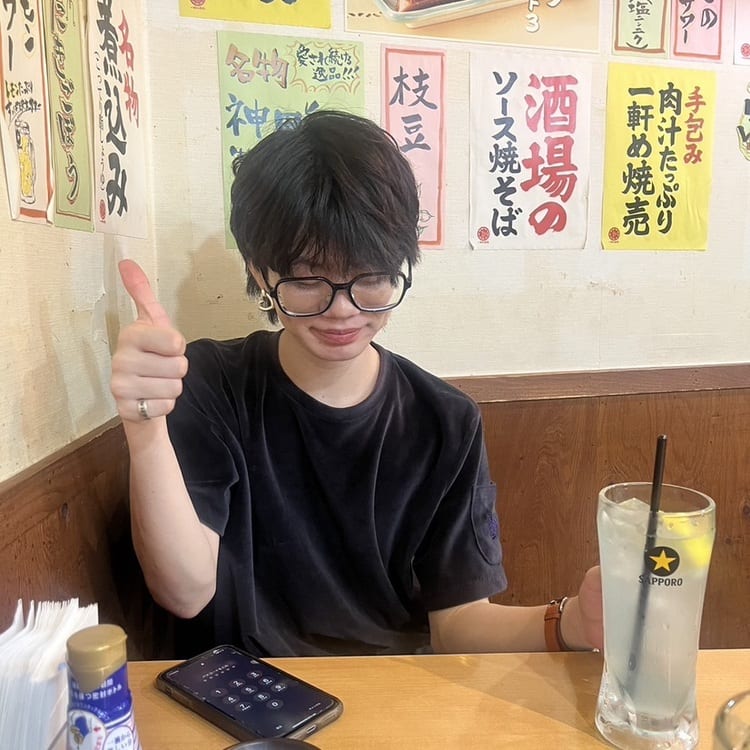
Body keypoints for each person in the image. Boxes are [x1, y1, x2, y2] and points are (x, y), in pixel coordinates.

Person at [110, 109, 603, 658]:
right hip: (252, 694)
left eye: (370, 276)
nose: (342, 309)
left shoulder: (445, 421)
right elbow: (185, 591)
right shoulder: (212, 385)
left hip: (394, 694)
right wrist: (145, 429)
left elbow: (459, 625)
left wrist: (571, 624)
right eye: (308, 278)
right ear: (258, 271)